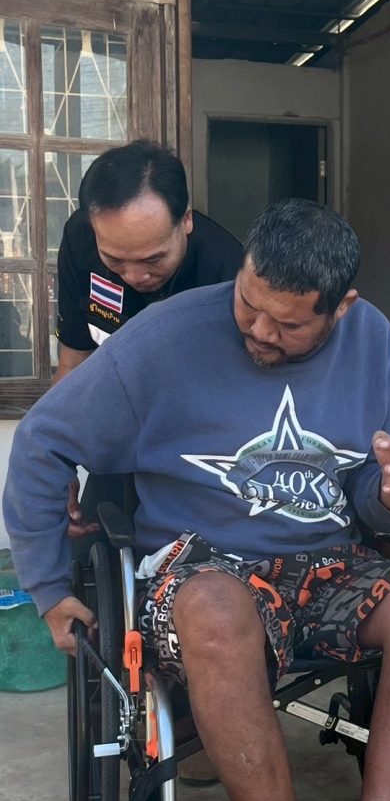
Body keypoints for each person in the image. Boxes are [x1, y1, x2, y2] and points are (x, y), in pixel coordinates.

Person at [4, 198, 390, 801]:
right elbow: (44, 438)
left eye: (289, 324)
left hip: (323, 563)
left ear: (342, 307)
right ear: (242, 268)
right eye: (250, 305)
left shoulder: (371, 337)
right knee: (216, 605)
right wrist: (50, 588)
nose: (260, 331)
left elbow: (373, 502)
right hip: (198, 566)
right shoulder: (166, 336)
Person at [54, 140, 243, 549]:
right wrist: (56, 464)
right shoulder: (80, 240)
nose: (135, 276)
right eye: (115, 260)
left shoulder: (229, 274)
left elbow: (243, 406)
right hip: (116, 436)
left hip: (201, 454)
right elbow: (73, 364)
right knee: (87, 551)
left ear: (185, 220)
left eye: (154, 260)